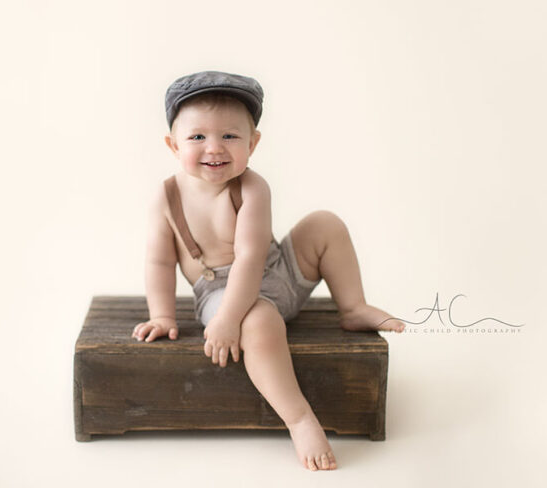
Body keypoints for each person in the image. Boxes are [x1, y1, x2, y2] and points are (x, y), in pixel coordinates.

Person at [130, 70, 405, 471]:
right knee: (257, 323)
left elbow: (251, 258)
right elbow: (158, 261)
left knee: (325, 223)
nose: (214, 148)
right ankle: (298, 418)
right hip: (223, 293)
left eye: (230, 136)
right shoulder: (166, 196)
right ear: (173, 145)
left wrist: (229, 320)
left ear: (253, 143)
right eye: (197, 137)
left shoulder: (253, 188)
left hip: (277, 272)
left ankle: (353, 306)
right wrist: (164, 315)